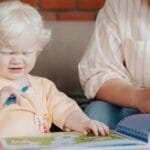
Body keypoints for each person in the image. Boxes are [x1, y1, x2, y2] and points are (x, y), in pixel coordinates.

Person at [0, 1, 109, 137]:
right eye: (8, 53)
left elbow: (67, 111)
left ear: (37, 50)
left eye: (26, 53)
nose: (17, 60)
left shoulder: (44, 88)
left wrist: (84, 122)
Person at [78, 0, 150, 129]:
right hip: (137, 108)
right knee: (98, 113)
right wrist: (139, 97)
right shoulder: (119, 4)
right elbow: (98, 72)